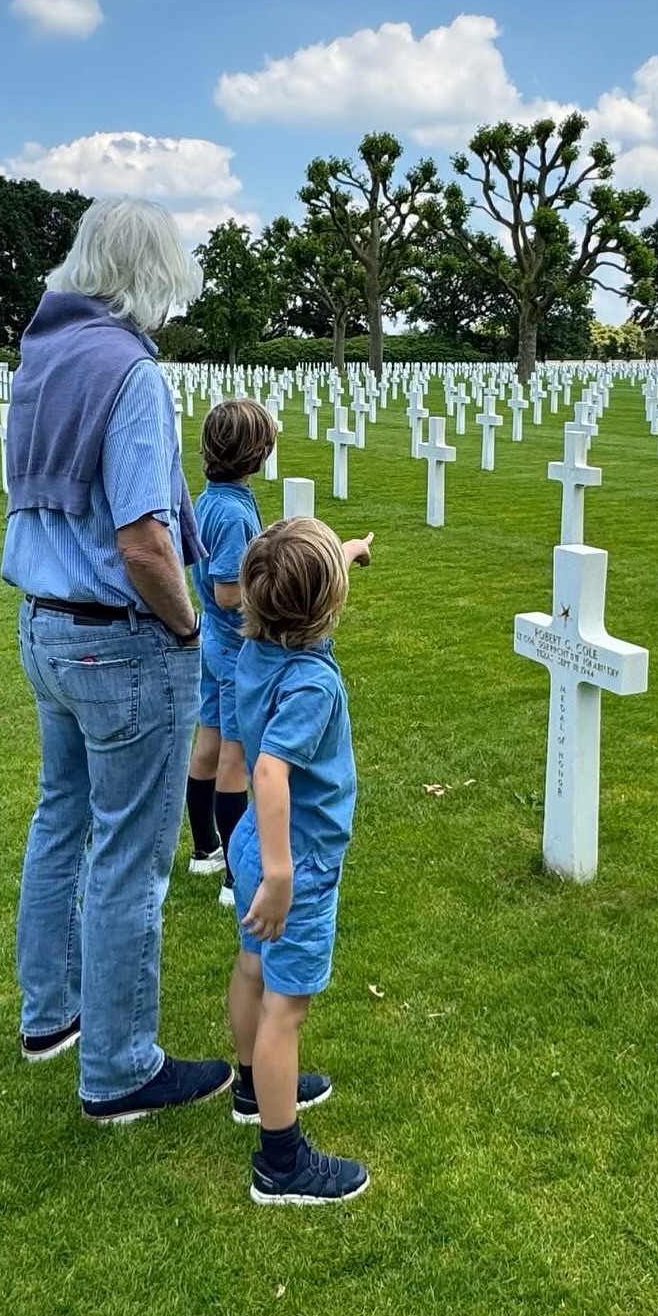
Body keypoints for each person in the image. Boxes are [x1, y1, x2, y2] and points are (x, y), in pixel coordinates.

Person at [2, 196, 233, 1125]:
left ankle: (50, 1013)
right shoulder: (129, 371)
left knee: (61, 820)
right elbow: (143, 539)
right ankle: (121, 1067)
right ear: (153, 275)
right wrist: (185, 630)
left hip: (45, 628)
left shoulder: (42, 356)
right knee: (133, 859)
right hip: (118, 636)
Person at [225, 516, 373, 1205]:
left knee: (253, 971)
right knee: (287, 1008)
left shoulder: (254, 645)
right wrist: (283, 875)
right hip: (297, 859)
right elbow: (272, 772)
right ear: (324, 608)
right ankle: (281, 1165)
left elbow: (297, 584)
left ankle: (254, 1088)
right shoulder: (311, 683)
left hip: (253, 841)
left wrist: (344, 554)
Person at [183, 398, 279, 909]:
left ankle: (204, 849)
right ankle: (234, 876)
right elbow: (226, 589)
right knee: (235, 755)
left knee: (210, 739)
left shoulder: (208, 498)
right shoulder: (234, 512)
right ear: (257, 453)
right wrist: (277, 590)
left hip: (211, 642)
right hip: (234, 644)